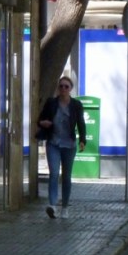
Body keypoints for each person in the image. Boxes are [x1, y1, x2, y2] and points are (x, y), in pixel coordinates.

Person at [36, 76, 86, 219]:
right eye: (61, 86)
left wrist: (82, 140)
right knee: (53, 174)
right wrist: (43, 123)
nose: (63, 89)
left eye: (66, 87)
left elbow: (81, 123)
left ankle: (65, 207)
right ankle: (52, 205)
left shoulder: (76, 105)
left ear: (71, 89)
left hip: (69, 145)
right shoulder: (51, 103)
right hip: (54, 143)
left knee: (66, 176)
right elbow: (40, 119)